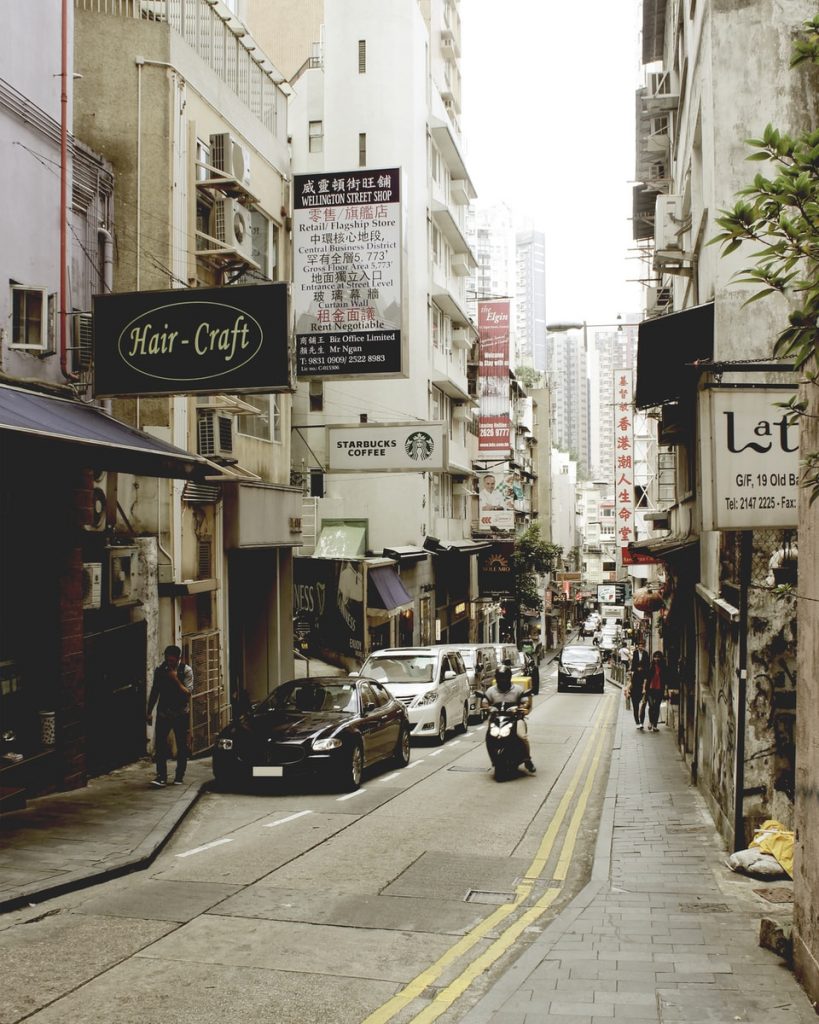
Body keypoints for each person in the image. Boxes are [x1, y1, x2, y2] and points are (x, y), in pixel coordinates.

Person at [146, 645, 194, 786]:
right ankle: (161, 776)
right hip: (164, 713)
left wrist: (175, 679)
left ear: (179, 659)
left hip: (180, 714)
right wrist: (149, 712)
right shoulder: (160, 671)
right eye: (168, 660)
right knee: (160, 745)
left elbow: (188, 693)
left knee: (181, 745)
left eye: (172, 661)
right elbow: (155, 692)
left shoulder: (186, 670)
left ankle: (179, 776)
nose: (170, 663)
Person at [482, 664, 536, 774]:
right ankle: (493, 759)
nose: (502, 681)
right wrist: (488, 708)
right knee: (489, 736)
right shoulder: (491, 691)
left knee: (522, 736)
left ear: (509, 678)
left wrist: (520, 708)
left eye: (504, 678)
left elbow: (525, 702)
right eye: (499, 678)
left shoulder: (518, 690)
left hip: (515, 719)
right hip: (496, 719)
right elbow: (484, 703)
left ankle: (527, 759)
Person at [645, 650, 670, 731]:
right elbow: (647, 677)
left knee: (656, 707)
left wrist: (666, 689)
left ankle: (655, 725)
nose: (656, 659)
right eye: (655, 657)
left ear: (661, 658)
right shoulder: (650, 665)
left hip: (659, 689)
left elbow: (666, 679)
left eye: (658, 657)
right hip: (650, 689)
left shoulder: (664, 667)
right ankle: (650, 722)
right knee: (651, 706)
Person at [629, 639, 650, 729]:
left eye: (642, 645)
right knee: (635, 705)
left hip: (643, 678)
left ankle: (641, 722)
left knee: (643, 705)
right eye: (639, 645)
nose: (641, 647)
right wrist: (636, 669)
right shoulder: (635, 653)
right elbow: (633, 665)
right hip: (636, 679)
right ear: (637, 646)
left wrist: (643, 670)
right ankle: (637, 722)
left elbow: (647, 664)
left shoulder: (645, 654)